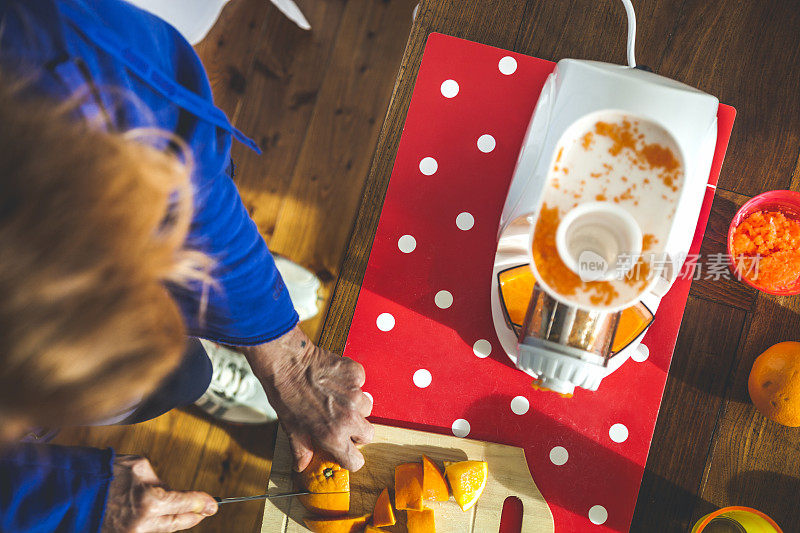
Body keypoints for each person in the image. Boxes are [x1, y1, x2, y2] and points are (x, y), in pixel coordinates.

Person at [0, 1, 374, 532]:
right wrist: (72, 500)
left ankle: (229, 321)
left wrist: (283, 352)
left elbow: (186, 168)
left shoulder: (45, 55)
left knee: (182, 369)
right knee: (177, 377)